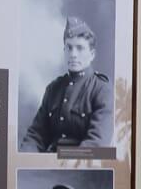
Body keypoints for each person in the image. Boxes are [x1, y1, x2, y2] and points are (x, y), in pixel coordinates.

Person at [21, 16, 111, 151]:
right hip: (49, 165)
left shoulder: (102, 90)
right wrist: (25, 158)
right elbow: (36, 135)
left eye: (80, 48)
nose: (73, 54)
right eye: (69, 47)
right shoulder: (53, 89)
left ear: (92, 54)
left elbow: (97, 144)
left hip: (82, 169)